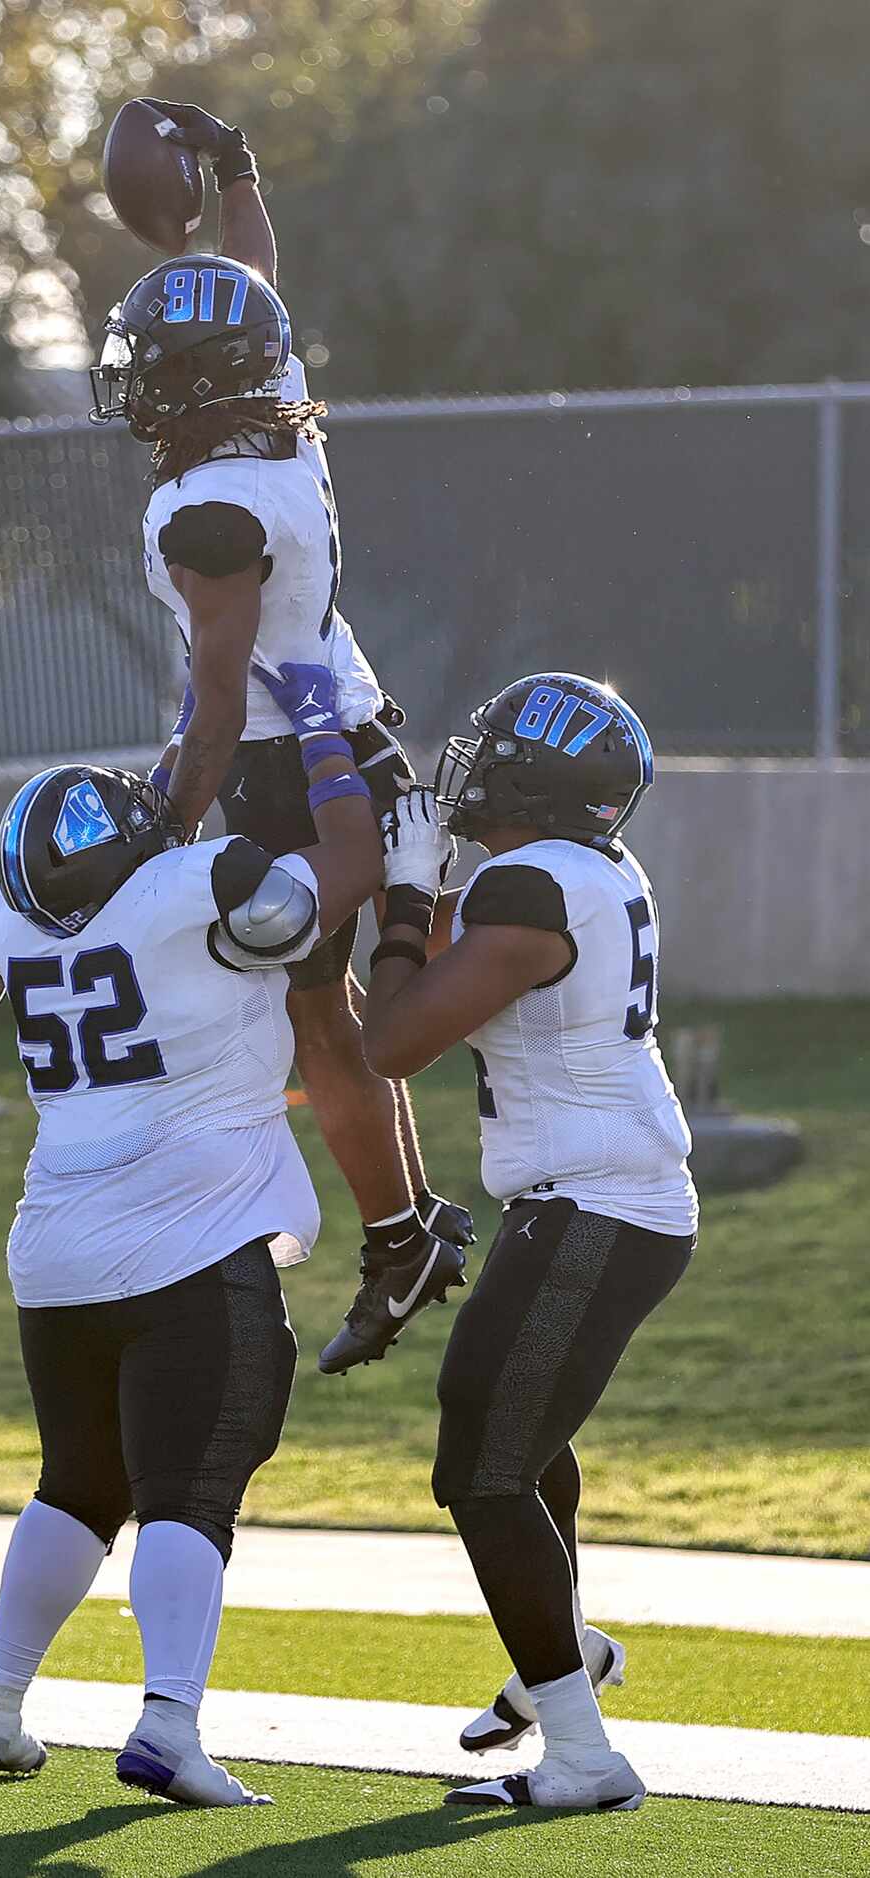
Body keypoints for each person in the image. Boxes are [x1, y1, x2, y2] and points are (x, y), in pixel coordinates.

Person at [0, 663, 382, 1806]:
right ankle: (168, 1723)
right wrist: (328, 738)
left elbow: (109, 876)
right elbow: (350, 872)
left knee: (77, 1484)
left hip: (56, 1250)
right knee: (192, 1492)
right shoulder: (196, 886)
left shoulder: (5, 921)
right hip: (194, 1235)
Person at [88, 99, 472, 1366]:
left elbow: (214, 697)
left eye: (146, 359)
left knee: (304, 1023)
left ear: (186, 386)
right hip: (340, 732)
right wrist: (239, 164)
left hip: (289, 761)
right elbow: (252, 282)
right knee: (322, 1019)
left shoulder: (206, 509)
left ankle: (375, 1234)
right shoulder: (274, 413)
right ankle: (399, 1228)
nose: (131, 373)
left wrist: (163, 826)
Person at [360, 673, 697, 1813]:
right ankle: (560, 1654)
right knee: (520, 1431)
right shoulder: (581, 873)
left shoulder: (528, 885)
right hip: (595, 1197)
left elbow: (392, 1040)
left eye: (490, 751)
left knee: (481, 1460)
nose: (466, 768)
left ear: (531, 780)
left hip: (597, 1203)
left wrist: (405, 898)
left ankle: (584, 1755)